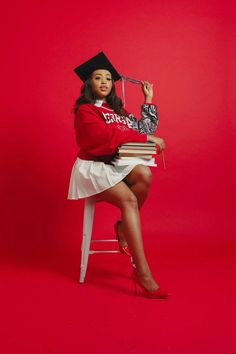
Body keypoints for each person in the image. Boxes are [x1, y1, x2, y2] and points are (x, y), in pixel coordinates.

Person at [68, 52, 168, 299]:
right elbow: (102, 139)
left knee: (144, 174)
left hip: (114, 163)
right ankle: (142, 273)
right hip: (93, 168)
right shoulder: (86, 111)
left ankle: (123, 227)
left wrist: (148, 100)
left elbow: (144, 130)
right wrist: (144, 139)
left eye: (109, 78)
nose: (104, 82)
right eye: (98, 77)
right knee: (130, 201)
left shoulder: (117, 109)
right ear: (89, 83)